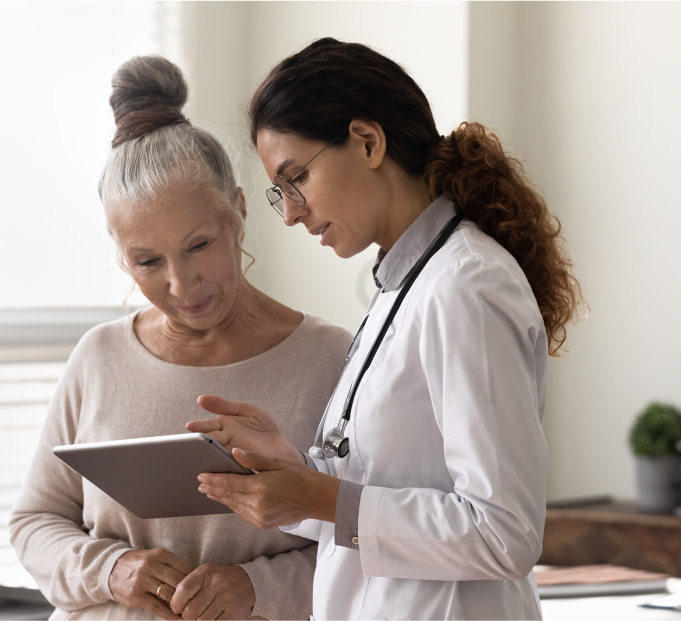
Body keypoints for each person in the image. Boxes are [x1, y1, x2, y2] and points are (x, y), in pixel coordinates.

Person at [189, 38, 585, 620]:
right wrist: (294, 475)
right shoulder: (402, 286)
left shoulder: (466, 286)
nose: (292, 211)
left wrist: (324, 496)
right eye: (281, 192)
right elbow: (381, 490)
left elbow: (506, 532)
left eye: (295, 177)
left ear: (368, 142)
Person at [8, 55, 353, 621]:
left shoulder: (331, 359)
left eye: (199, 246)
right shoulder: (98, 358)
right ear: (122, 259)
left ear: (238, 212)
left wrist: (255, 587)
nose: (180, 284)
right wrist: (111, 571)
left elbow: (365, 538)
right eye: (147, 261)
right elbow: (34, 522)